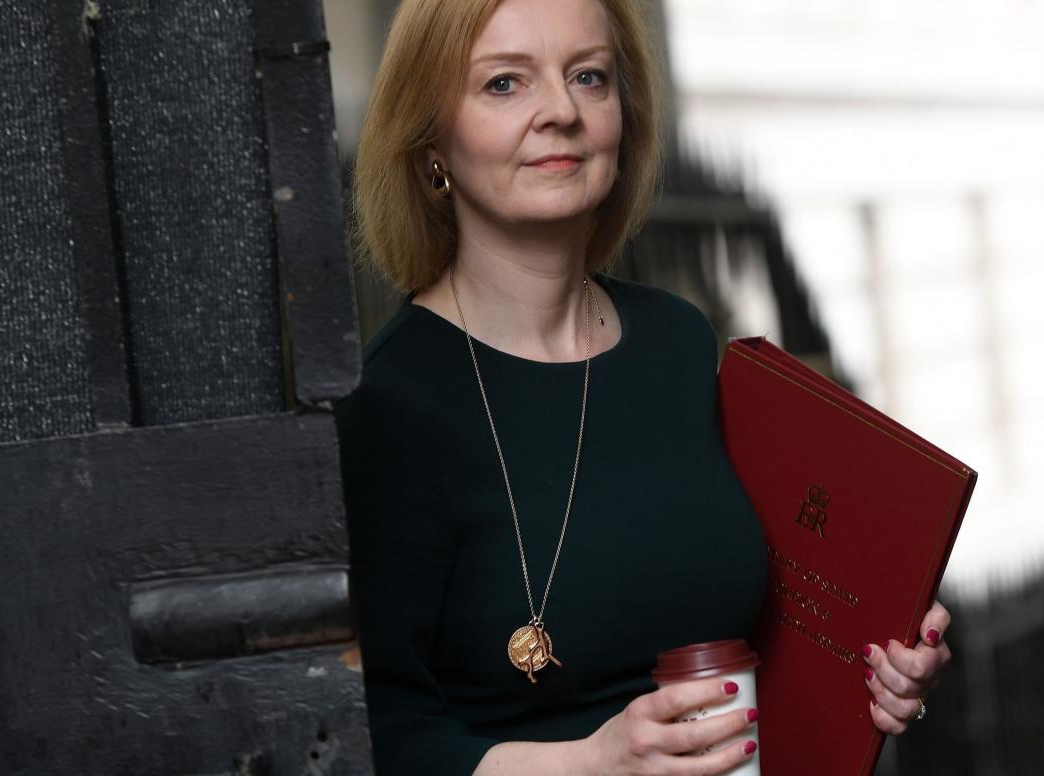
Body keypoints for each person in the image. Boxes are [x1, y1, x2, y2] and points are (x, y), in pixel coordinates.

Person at [334, 0, 954, 773]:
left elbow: (759, 633)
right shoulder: (388, 404)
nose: (560, 111)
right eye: (503, 84)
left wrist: (879, 668)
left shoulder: (677, 340)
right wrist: (590, 764)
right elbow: (374, 736)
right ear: (431, 143)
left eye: (587, 76)